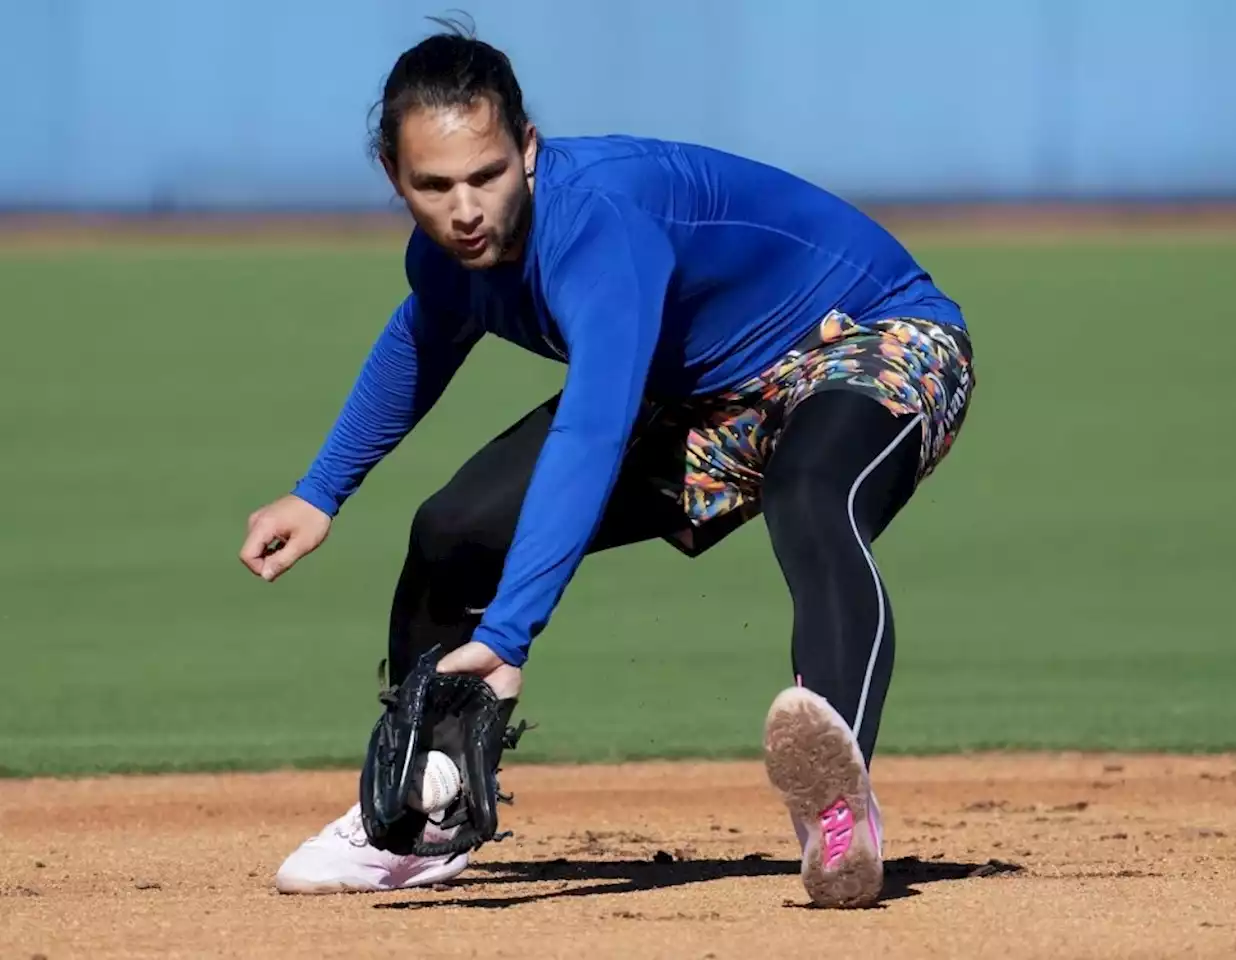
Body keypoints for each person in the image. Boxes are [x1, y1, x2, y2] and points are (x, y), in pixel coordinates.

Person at [239, 22, 975, 909]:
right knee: (453, 533)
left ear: (529, 150)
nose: (464, 208)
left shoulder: (599, 226)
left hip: (872, 336)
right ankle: (423, 814)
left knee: (811, 492)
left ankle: (837, 810)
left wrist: (510, 634)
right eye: (433, 186)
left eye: (487, 175)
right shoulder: (447, 255)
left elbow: (591, 434)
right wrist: (321, 491)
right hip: (706, 394)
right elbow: (422, 339)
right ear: (397, 181)